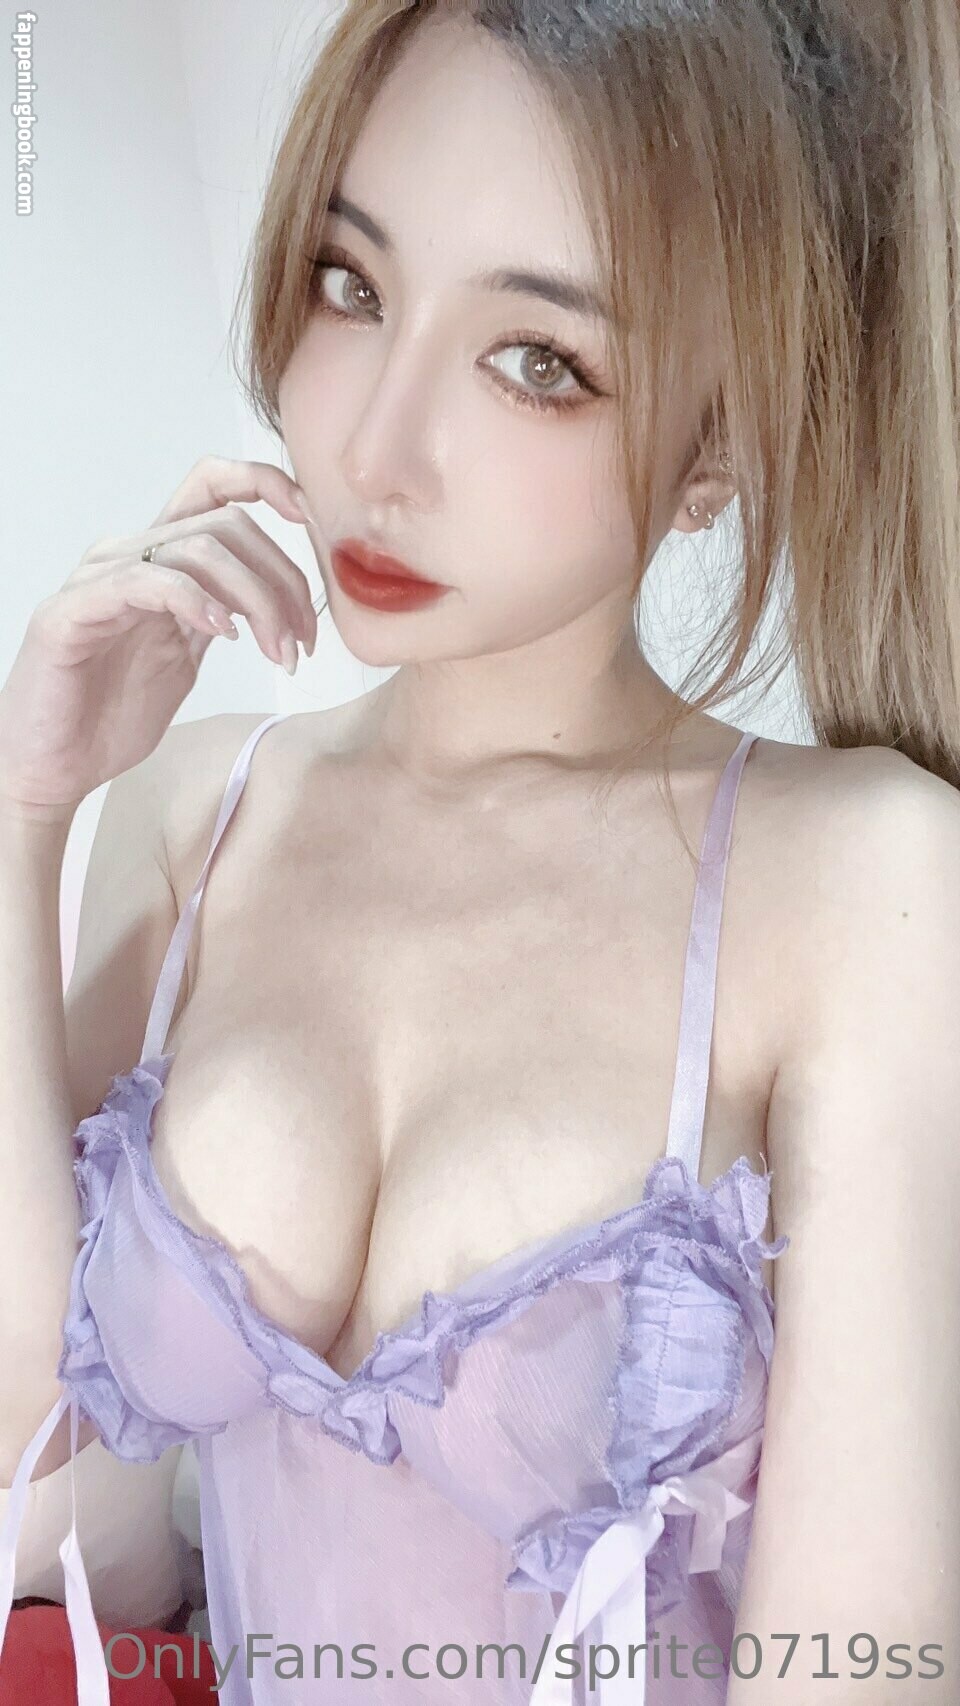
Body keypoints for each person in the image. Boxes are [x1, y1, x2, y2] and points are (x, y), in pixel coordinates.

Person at [1, 1, 959, 1701]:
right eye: (352, 284)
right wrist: (21, 815)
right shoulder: (198, 813)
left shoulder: (867, 882)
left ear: (720, 454)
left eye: (539, 361)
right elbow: (63, 1511)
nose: (375, 449)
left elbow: (858, 1671)